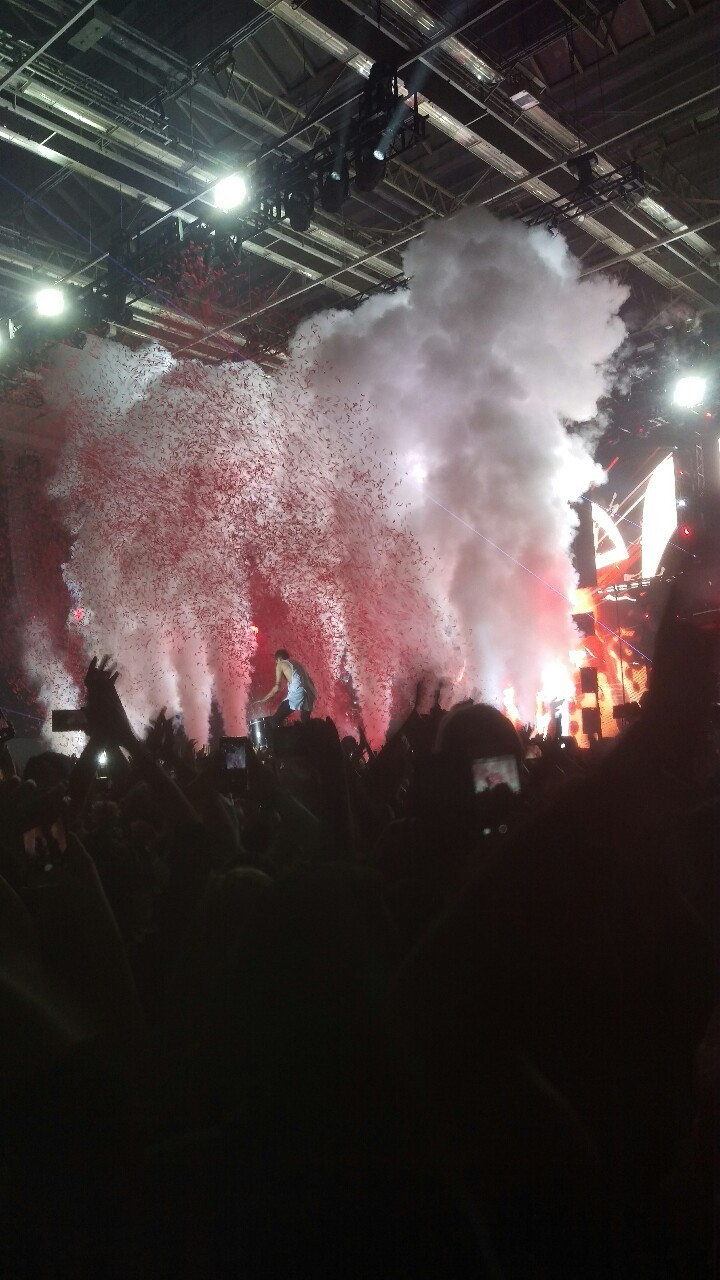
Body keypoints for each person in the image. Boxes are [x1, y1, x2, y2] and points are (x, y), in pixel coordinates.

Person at [257, 649, 316, 726]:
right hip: (310, 692)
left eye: (276, 661)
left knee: (275, 720)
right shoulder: (297, 663)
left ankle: (284, 734)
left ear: (279, 659)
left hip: (298, 693)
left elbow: (277, 687)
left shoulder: (280, 664)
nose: (276, 663)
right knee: (305, 721)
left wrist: (264, 699)